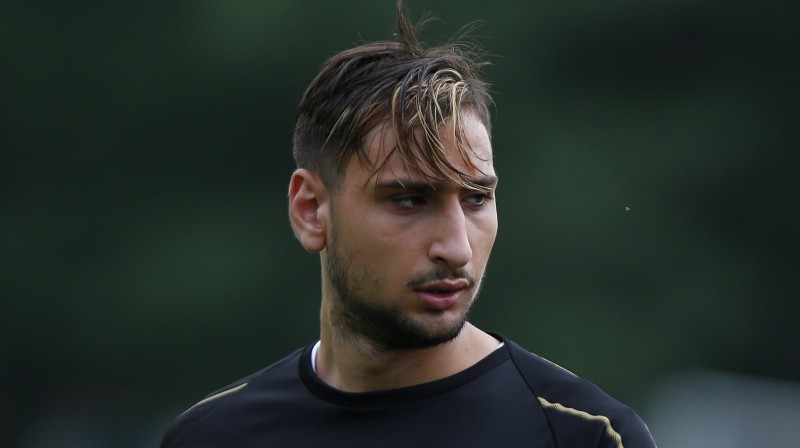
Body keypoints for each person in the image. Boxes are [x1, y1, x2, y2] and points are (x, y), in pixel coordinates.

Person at [160, 3, 656, 447]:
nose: (457, 248)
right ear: (311, 210)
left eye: (477, 198)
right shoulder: (213, 436)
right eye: (410, 199)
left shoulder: (585, 436)